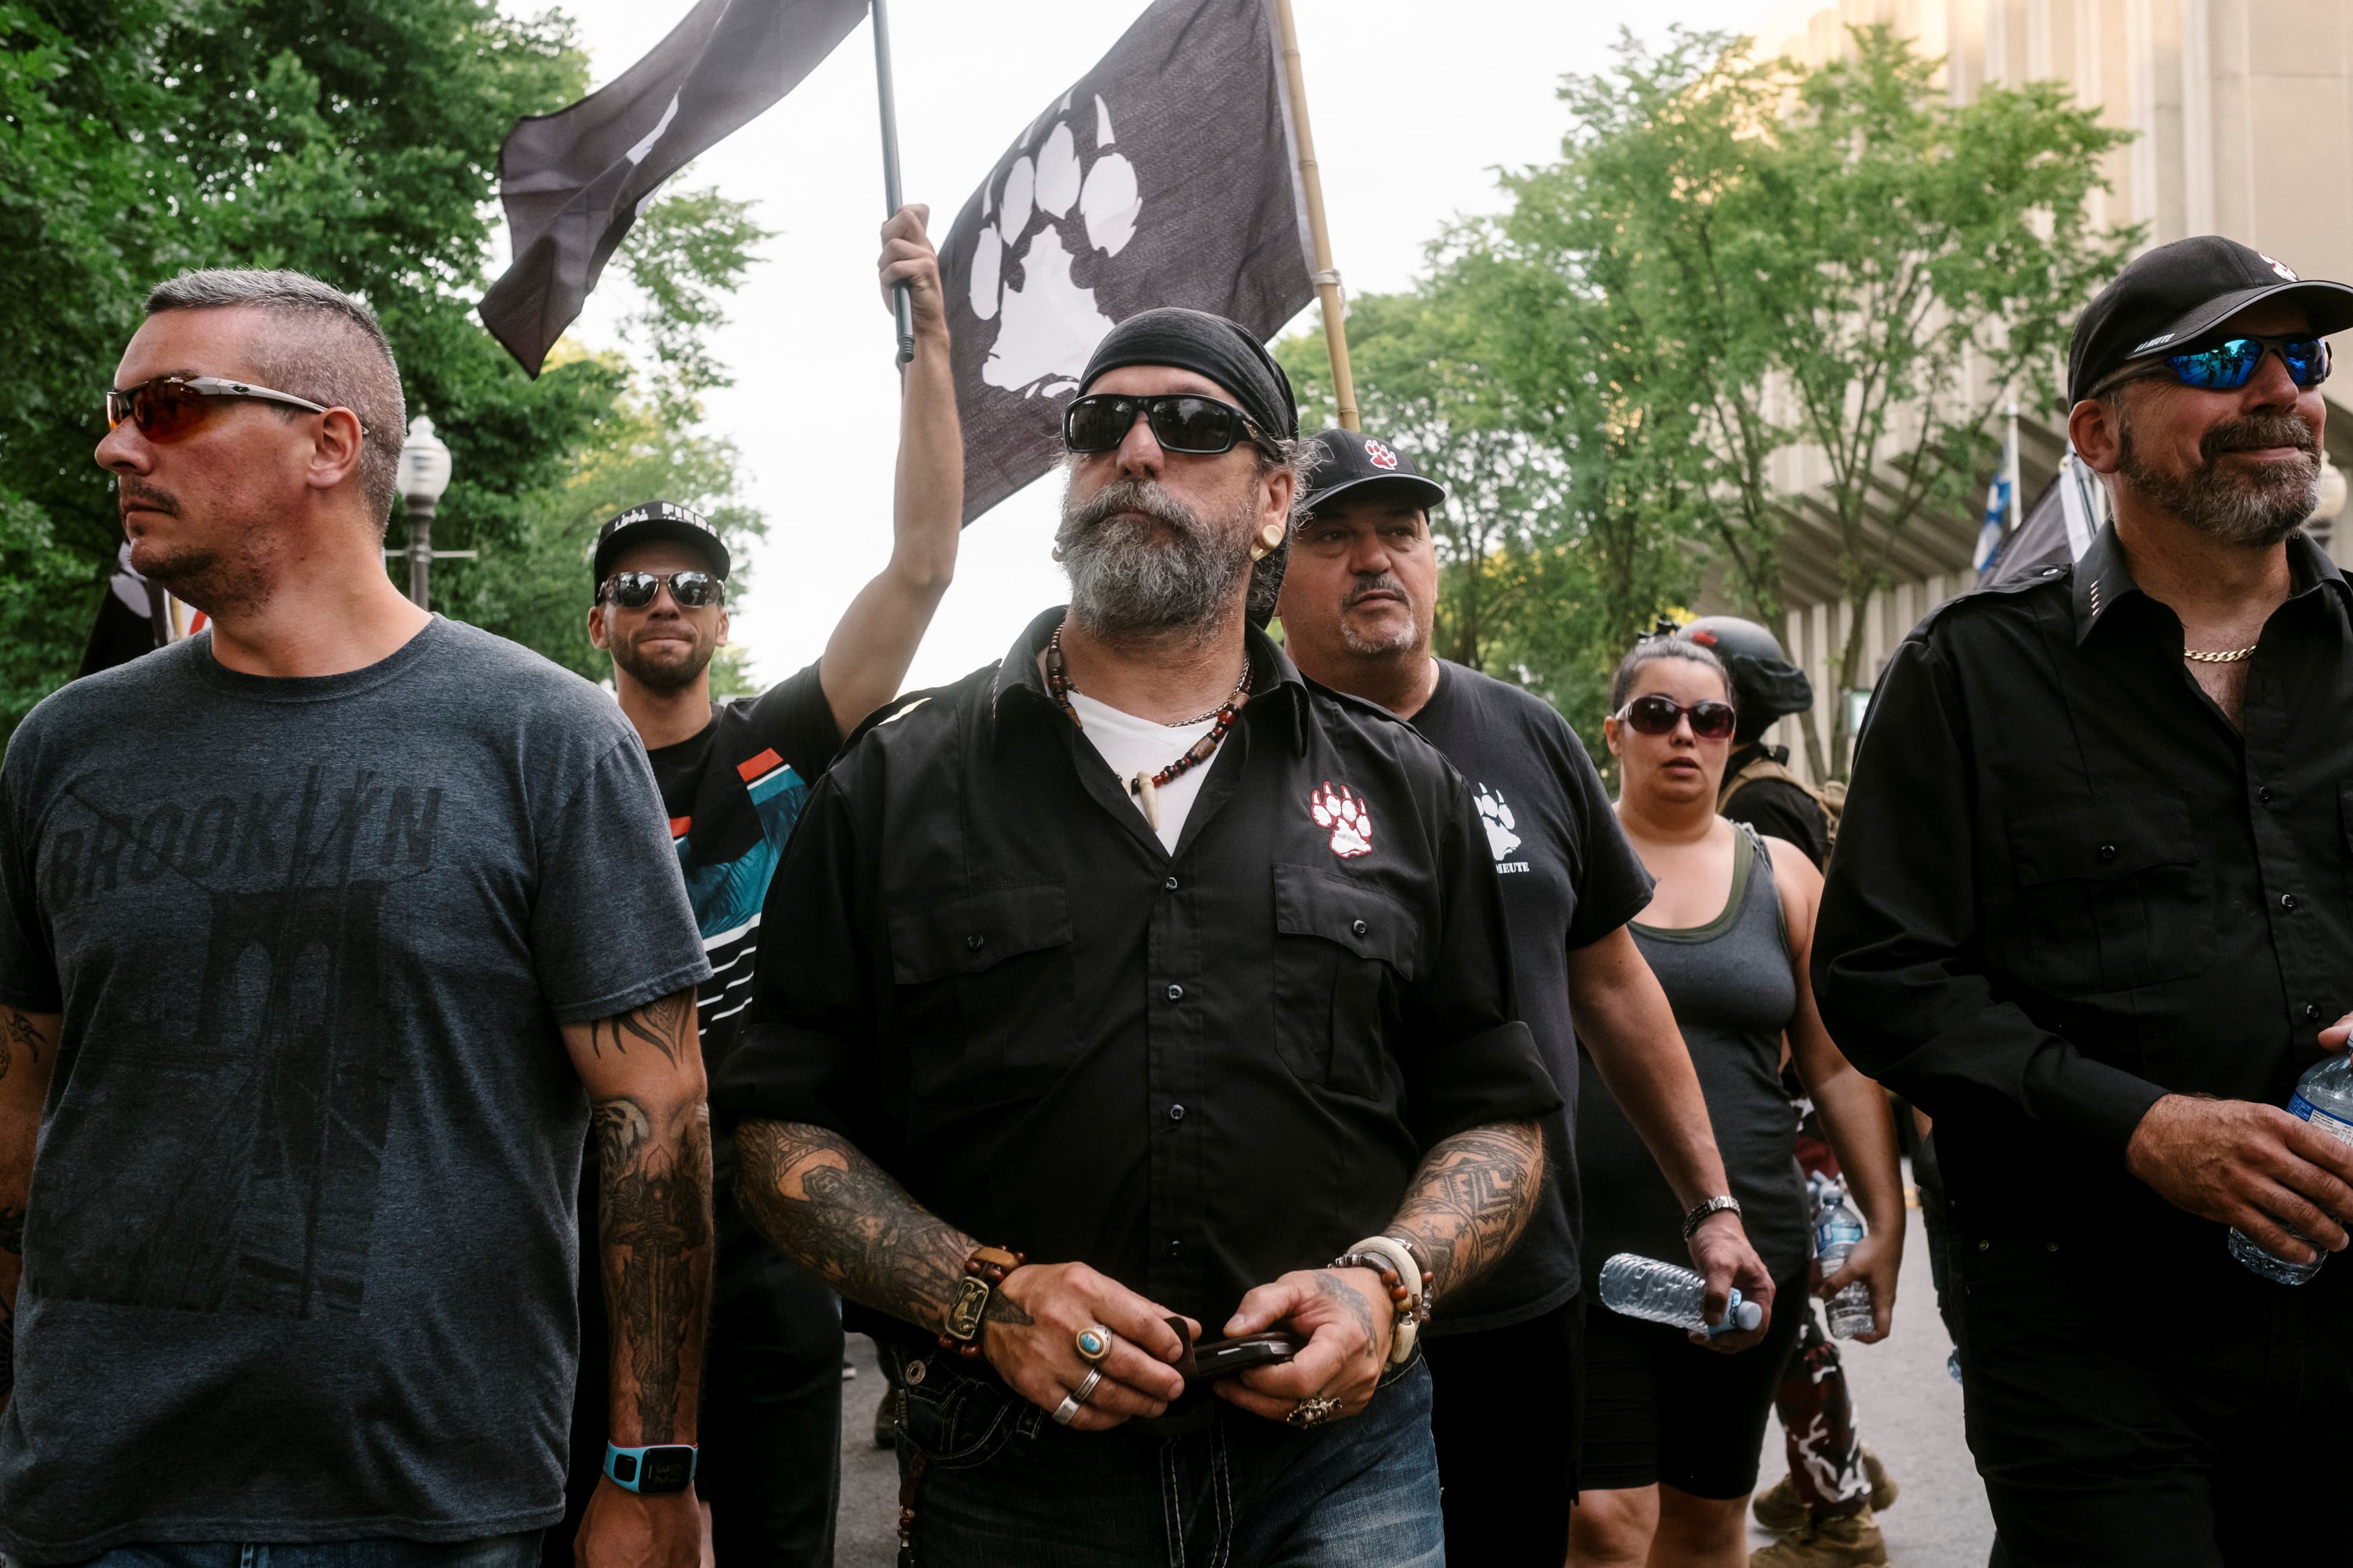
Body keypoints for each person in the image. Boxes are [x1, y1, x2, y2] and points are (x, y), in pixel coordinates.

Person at [710, 308, 1564, 1566]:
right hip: (1014, 1479)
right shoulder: (896, 786)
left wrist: (1385, 1286)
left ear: (1276, 498)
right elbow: (775, 1127)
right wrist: (983, 1297)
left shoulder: (1401, 791)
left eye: (1195, 425)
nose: (1141, 450)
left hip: (1344, 1471)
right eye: (1100, 424)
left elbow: (1497, 1114)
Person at [0, 270, 713, 1568]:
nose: (115, 443)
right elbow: (16, 1112)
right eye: (118, 407)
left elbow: (656, 1120)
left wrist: (650, 1471)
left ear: (329, 442)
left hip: (435, 1511)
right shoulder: (63, 751)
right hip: (100, 1508)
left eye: (167, 406)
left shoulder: (544, 740)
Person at [1814, 235, 2353, 1565]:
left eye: (2303, 356)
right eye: (2223, 361)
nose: (2279, 390)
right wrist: (2140, 1126)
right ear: (2097, 432)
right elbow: (1880, 976)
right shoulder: (1968, 675)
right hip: (2083, 1320)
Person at [1271, 428, 1776, 1568]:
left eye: (1399, 531)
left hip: (1519, 1296)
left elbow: (1613, 983)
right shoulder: (1240, 747)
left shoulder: (1531, 736)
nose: (1375, 560)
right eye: (1333, 534)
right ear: (1269, 564)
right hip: (1312, 1301)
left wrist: (1712, 1203)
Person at [547, 206, 961, 1568]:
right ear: (599, 622)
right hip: (586, 1234)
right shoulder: (547, 768)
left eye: (690, 583)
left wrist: (927, 342)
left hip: (768, 1229)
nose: (664, 600)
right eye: (634, 585)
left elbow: (920, 569)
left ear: (721, 616)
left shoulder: (781, 750)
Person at [1574, 636, 1904, 1568]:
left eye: (1709, 718)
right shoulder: (1564, 862)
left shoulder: (1785, 875)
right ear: (1615, 733)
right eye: (1656, 714)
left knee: (1705, 1520)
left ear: (1732, 737)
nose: (1684, 734)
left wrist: (1887, 1221)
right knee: (1599, 1520)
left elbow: (1837, 1067)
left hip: (1750, 1254)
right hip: (1589, 1245)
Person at [1669, 618, 1901, 1567]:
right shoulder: (1765, 790)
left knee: (1784, 1305)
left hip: (1789, 1106)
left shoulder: (1760, 813)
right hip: (1795, 1099)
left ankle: (1840, 1508)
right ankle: (1836, 1463)